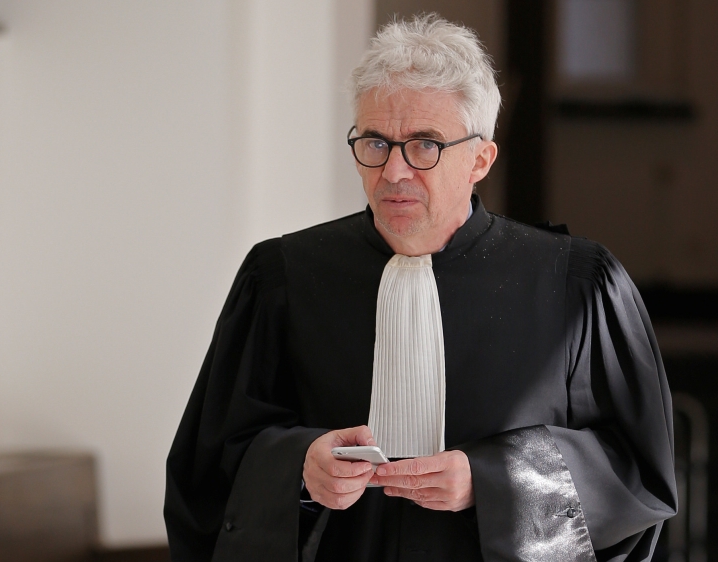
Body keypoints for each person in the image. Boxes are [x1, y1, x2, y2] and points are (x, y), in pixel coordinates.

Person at [164, 14, 676, 562]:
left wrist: (494, 480)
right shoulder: (281, 277)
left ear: (480, 157)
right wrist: (300, 464)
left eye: (425, 145)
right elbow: (208, 463)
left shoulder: (575, 284)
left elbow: (637, 475)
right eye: (376, 143)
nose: (394, 172)